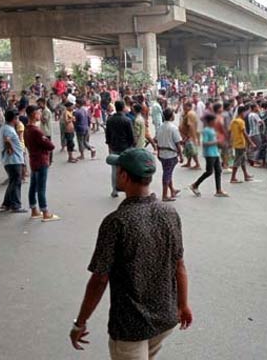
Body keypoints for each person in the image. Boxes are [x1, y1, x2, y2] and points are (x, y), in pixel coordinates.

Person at [70, 148, 192, 358]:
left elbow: (99, 279)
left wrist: (80, 322)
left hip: (130, 327)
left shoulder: (116, 222)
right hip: (165, 319)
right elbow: (179, 264)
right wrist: (183, 304)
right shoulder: (170, 213)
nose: (116, 174)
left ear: (125, 176)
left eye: (117, 170)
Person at [24, 105, 59, 222]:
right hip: (41, 160)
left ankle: (34, 209)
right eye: (38, 113)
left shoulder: (27, 129)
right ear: (34, 114)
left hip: (33, 159)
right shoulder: (36, 131)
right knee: (41, 188)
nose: (40, 114)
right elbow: (50, 145)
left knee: (33, 186)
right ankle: (45, 212)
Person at [189, 113, 229, 198]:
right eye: (214, 120)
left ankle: (218, 190)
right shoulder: (206, 130)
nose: (215, 122)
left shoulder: (212, 129)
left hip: (215, 152)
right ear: (210, 121)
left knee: (218, 170)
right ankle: (195, 184)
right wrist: (216, 142)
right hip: (209, 153)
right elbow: (205, 143)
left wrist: (219, 143)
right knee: (209, 171)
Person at [105, 101, 135, 198]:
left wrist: (109, 145)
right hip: (125, 147)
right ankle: (128, 190)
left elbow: (108, 135)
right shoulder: (127, 120)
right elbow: (131, 136)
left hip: (114, 146)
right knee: (127, 169)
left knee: (114, 170)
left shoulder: (110, 120)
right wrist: (131, 146)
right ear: (123, 108)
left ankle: (114, 190)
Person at [0, 109, 26, 213]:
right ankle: (15, 205)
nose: (18, 120)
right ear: (13, 118)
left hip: (12, 159)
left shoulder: (7, 127)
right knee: (16, 182)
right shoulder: (8, 129)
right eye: (17, 118)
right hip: (13, 160)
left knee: (13, 181)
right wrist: (11, 148)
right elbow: (7, 140)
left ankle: (7, 203)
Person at [156, 108, 182, 202]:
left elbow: (157, 141)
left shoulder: (160, 127)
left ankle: (172, 190)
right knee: (167, 174)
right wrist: (181, 155)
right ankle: (164, 195)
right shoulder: (173, 128)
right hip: (170, 154)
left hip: (163, 153)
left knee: (168, 172)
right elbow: (177, 143)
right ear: (171, 116)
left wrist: (158, 152)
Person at [229, 105, 255, 183]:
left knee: (243, 159)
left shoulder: (234, 121)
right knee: (237, 160)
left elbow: (230, 132)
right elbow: (244, 133)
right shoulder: (241, 121)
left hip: (236, 142)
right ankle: (233, 178)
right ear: (242, 112)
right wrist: (251, 142)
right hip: (240, 143)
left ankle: (246, 175)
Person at [179, 102, 201, 170]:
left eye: (185, 106)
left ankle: (197, 164)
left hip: (189, 136)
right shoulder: (188, 113)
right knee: (188, 149)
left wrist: (188, 137)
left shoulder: (190, 114)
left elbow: (191, 126)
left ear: (189, 106)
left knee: (192, 150)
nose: (183, 108)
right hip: (188, 135)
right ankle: (188, 162)